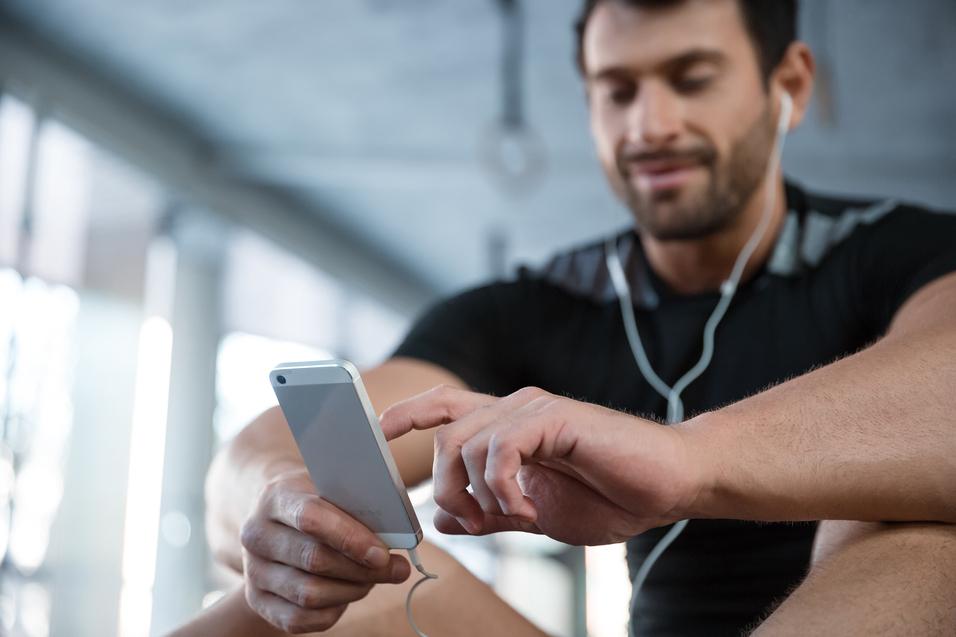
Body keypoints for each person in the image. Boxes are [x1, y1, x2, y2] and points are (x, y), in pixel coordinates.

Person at [200, 0, 956, 635]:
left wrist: (684, 459)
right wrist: (282, 510)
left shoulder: (901, 251)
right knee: (337, 584)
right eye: (617, 89)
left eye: (692, 80)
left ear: (786, 83)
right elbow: (265, 449)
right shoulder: (538, 306)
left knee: (919, 521)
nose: (651, 124)